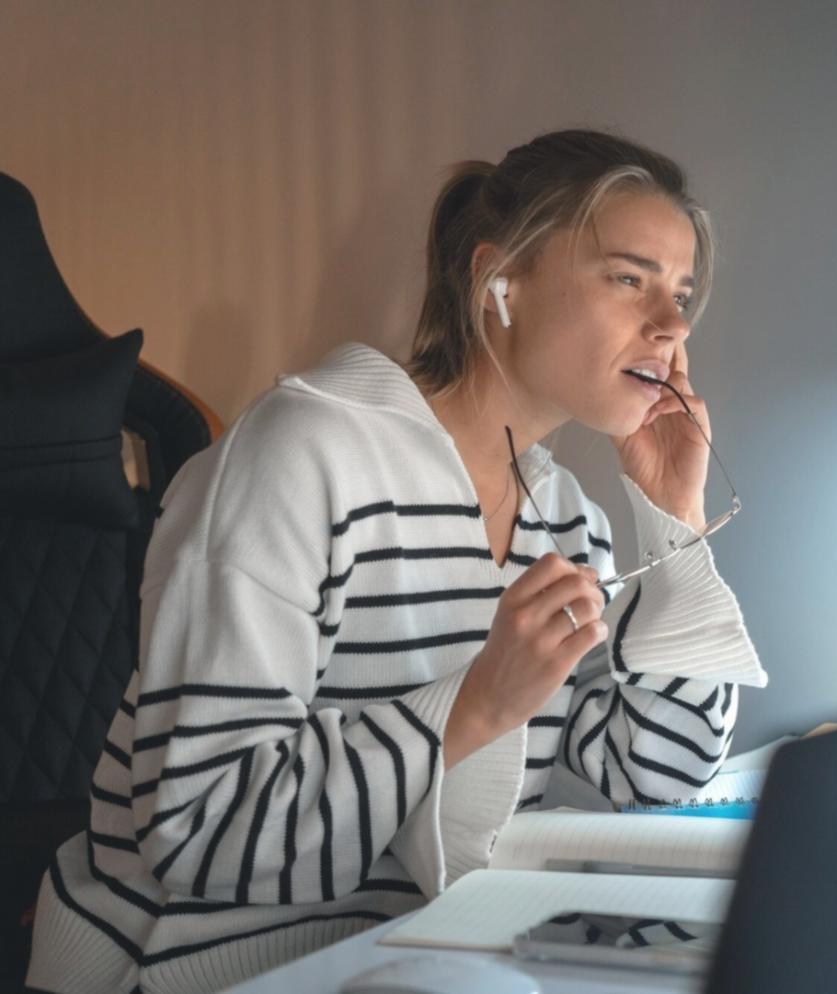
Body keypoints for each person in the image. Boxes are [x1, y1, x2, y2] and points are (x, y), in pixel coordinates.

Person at [27, 129, 766, 994]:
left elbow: (662, 772)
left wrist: (676, 524)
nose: (673, 325)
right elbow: (198, 830)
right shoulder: (301, 456)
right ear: (500, 280)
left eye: (682, 293)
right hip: (207, 969)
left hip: (417, 955)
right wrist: (474, 706)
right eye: (630, 279)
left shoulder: (566, 519)